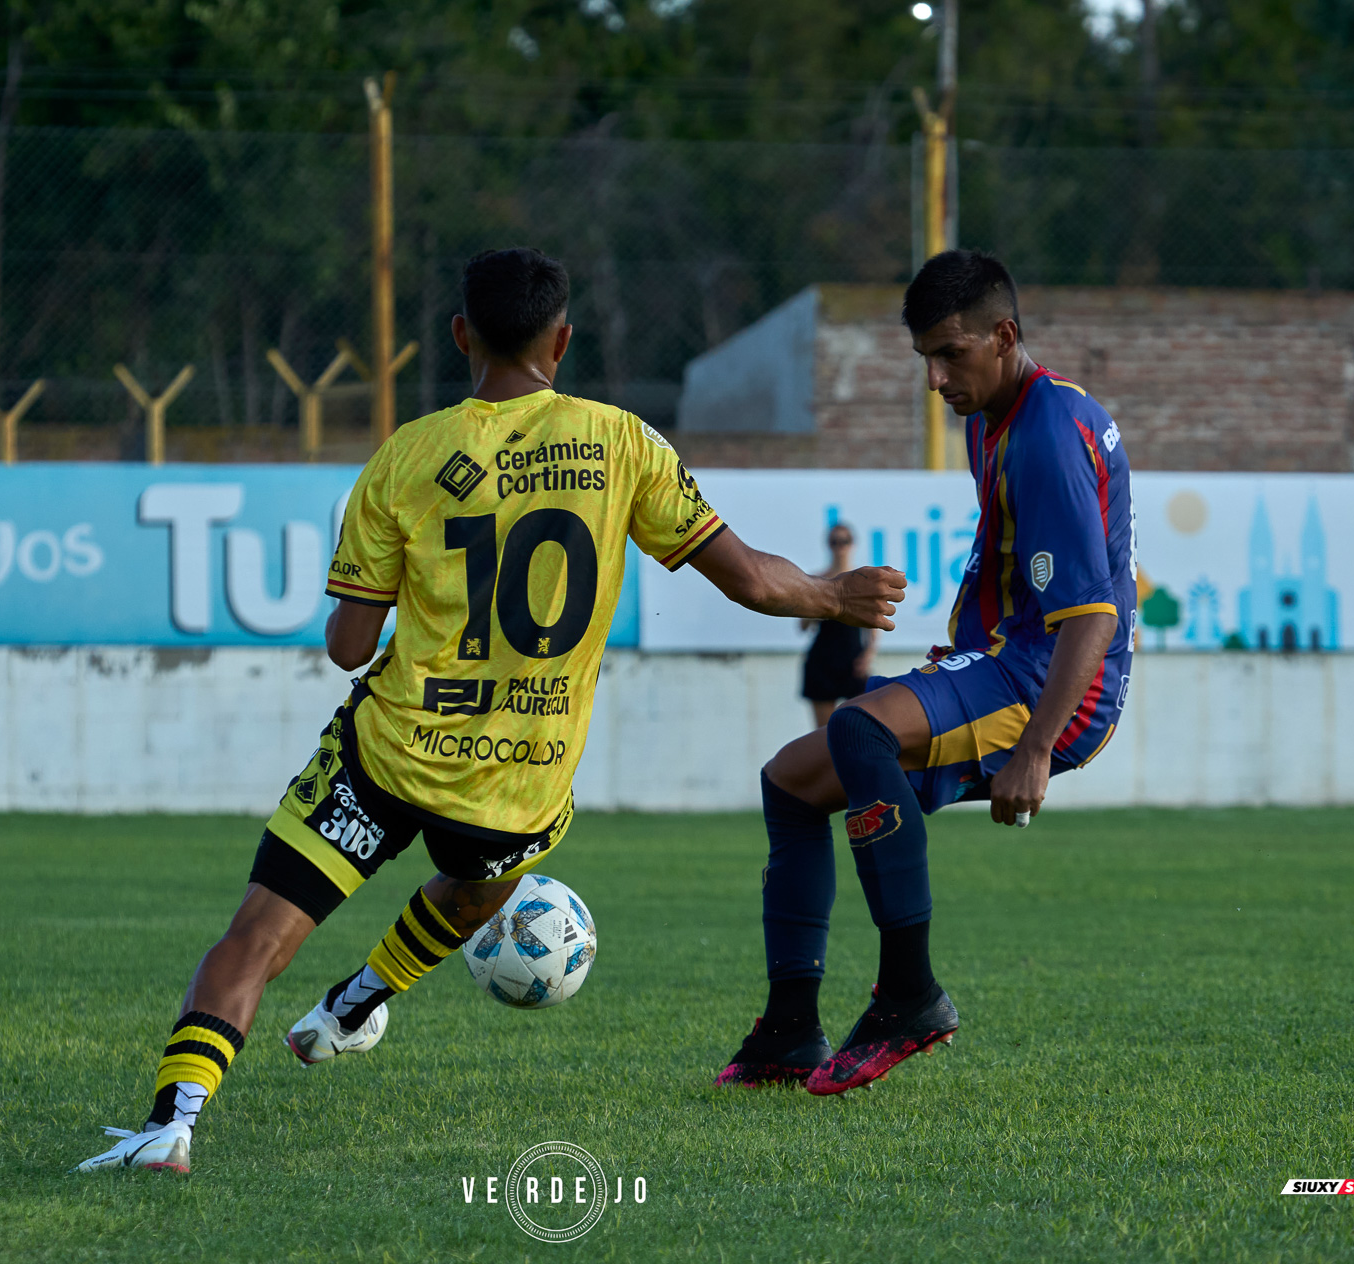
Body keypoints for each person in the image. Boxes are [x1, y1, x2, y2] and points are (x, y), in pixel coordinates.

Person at [76, 247, 906, 1173]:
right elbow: (751, 579)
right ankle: (360, 998)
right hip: (518, 779)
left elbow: (348, 648)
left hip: (389, 753)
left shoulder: (407, 457)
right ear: (564, 338)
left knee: (259, 934)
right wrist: (836, 596)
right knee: (487, 884)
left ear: (462, 335)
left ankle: (175, 1122)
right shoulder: (622, 442)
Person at [715, 249, 1134, 1095]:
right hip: (1008, 661)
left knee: (861, 728)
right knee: (792, 783)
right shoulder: (999, 415)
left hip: (1054, 685)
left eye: (952, 354)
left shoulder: (1047, 437)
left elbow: (1093, 616)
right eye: (926, 361)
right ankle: (791, 1027)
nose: (937, 379)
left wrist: (1038, 748)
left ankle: (909, 994)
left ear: (1004, 336)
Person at [800, 522, 879, 729]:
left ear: (853, 544)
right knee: (823, 735)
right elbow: (802, 626)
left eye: (845, 541)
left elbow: (874, 626)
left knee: (862, 728)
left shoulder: (862, 581)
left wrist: (868, 655)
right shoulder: (817, 580)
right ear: (828, 545)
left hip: (853, 661)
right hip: (823, 659)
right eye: (835, 542)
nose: (840, 547)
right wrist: (816, 602)